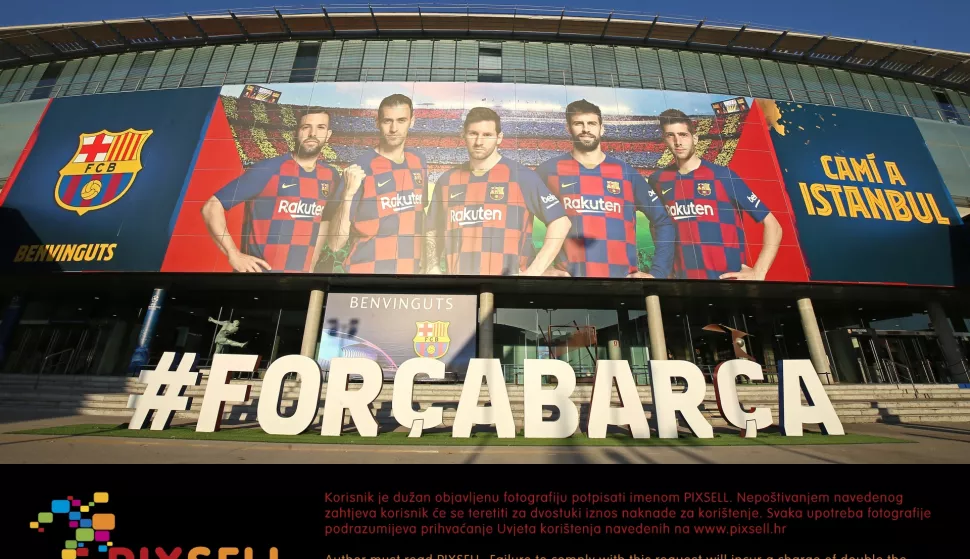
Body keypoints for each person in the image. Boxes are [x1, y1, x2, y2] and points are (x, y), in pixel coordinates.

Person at [535, 99, 676, 279]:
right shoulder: (549, 170)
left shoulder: (626, 172)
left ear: (602, 128)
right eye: (579, 123)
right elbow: (516, 214)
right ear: (568, 129)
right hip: (568, 284)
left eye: (592, 123)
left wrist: (658, 273)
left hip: (622, 285)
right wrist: (535, 267)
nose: (586, 129)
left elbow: (663, 221)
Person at [425, 107, 571, 276]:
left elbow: (561, 223)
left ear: (499, 138)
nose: (479, 141)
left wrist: (535, 271)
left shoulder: (522, 177)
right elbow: (432, 229)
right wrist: (432, 266)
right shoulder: (446, 180)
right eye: (473, 133)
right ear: (463, 135)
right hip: (461, 288)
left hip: (509, 289)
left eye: (487, 135)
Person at [201, 107, 342, 273]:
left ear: (328, 134)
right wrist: (233, 253)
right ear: (296, 132)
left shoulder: (331, 175)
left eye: (320, 127)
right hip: (259, 280)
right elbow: (211, 206)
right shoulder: (269, 169)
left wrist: (311, 265)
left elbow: (324, 221)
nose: (312, 133)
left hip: (300, 282)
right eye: (306, 127)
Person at [649, 108, 782, 280]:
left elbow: (774, 225)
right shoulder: (658, 180)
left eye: (683, 135)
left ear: (695, 138)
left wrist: (759, 271)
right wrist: (666, 267)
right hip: (684, 285)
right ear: (664, 140)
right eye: (670, 135)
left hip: (727, 284)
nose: (678, 142)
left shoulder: (722, 175)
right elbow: (657, 225)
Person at [327, 94, 429, 274]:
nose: (394, 128)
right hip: (366, 273)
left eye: (401, 120)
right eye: (387, 121)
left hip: (410, 274)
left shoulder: (419, 161)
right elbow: (335, 244)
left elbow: (419, 216)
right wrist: (347, 195)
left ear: (412, 121)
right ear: (377, 122)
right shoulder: (361, 168)